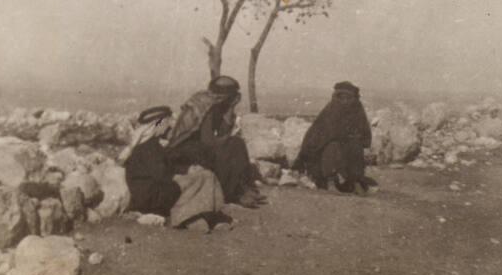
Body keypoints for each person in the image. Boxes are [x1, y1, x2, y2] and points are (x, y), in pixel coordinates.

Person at [166, 76, 267, 208]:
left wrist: (230, 108)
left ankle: (240, 190)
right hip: (182, 151)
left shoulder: (217, 104)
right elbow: (208, 141)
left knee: (233, 144)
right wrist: (228, 142)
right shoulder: (206, 105)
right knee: (235, 144)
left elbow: (222, 133)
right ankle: (234, 193)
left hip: (198, 148)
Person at [292, 81, 377, 194]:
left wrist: (355, 141)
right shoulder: (330, 112)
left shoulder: (357, 112)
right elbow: (313, 139)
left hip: (347, 160)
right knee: (333, 146)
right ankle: (330, 181)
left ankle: (355, 181)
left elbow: (365, 136)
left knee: (355, 146)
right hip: (323, 161)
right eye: (341, 98)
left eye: (348, 98)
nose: (344, 101)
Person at [121, 106, 182, 216]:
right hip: (148, 198)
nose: (168, 127)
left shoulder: (147, 145)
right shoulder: (149, 147)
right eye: (167, 123)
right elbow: (162, 175)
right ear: (159, 123)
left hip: (143, 194)